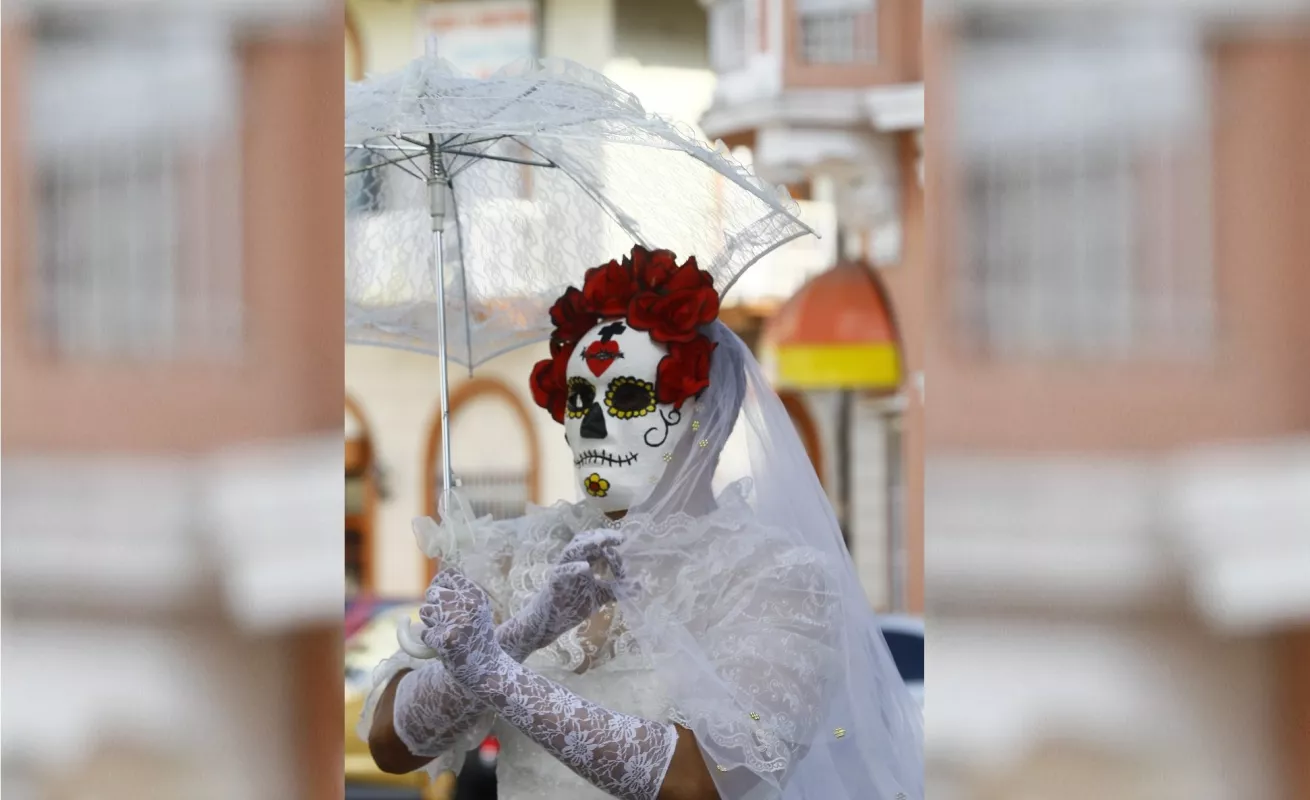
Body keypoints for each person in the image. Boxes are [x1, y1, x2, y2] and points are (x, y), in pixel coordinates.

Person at [360, 246, 923, 800]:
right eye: (579, 398)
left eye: (629, 396)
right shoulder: (517, 555)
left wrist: (501, 675)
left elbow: (700, 778)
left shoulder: (778, 578)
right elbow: (392, 745)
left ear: (704, 412)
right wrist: (522, 633)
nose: (594, 425)